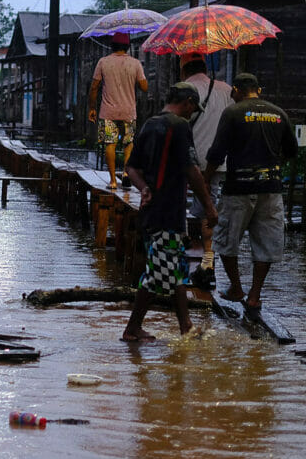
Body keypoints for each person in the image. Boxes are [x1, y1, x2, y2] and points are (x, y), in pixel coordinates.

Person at [122, 82, 218, 343]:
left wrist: (143, 189)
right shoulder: (179, 126)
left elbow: (131, 168)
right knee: (158, 274)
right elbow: (192, 170)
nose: (192, 114)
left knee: (175, 270)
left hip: (152, 211)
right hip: (167, 211)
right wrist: (209, 206)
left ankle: (185, 326)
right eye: (192, 109)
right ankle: (132, 329)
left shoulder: (150, 123)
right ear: (186, 102)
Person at [203, 72, 299, 321]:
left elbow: (216, 153)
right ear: (259, 90)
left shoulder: (233, 113)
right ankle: (254, 295)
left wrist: (204, 180)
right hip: (271, 189)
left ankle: (236, 287)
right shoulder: (279, 114)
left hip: (239, 189)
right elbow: (291, 151)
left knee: (226, 240)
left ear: (236, 90)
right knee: (267, 244)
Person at [179, 52, 235, 290]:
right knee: (210, 209)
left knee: (187, 206)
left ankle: (190, 258)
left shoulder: (184, 88)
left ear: (185, 69)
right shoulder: (225, 89)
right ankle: (207, 262)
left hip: (190, 159)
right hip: (220, 160)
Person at [88, 32, 148, 190]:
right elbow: (144, 87)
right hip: (129, 111)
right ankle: (127, 173)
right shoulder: (135, 64)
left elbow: (94, 88)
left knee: (110, 144)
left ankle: (113, 181)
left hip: (108, 112)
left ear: (112, 45)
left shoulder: (103, 62)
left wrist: (92, 108)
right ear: (128, 46)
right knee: (128, 143)